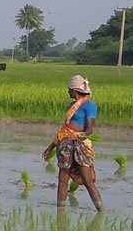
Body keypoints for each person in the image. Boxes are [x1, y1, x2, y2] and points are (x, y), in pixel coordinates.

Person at [41, 75, 104, 211]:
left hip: (79, 143)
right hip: (65, 142)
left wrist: (82, 135)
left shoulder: (90, 105)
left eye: (69, 89)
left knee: (87, 180)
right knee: (63, 177)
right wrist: (51, 147)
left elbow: (89, 128)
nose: (68, 92)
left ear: (75, 90)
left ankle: (100, 209)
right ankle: (60, 210)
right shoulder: (71, 105)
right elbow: (64, 129)